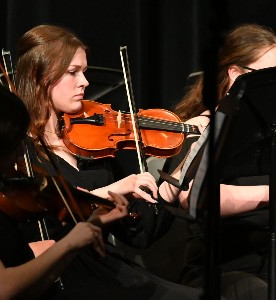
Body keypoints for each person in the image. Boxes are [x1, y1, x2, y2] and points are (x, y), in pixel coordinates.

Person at [13, 24, 205, 300]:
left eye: (84, 71)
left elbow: (141, 235)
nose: (85, 82)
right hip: (61, 278)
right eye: (72, 72)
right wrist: (112, 191)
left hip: (109, 269)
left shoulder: (94, 149)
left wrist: (179, 170)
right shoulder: (22, 151)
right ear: (39, 76)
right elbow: (42, 226)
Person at [158, 23, 276, 298]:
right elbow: (193, 198)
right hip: (226, 267)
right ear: (236, 75)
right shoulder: (201, 129)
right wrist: (269, 194)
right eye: (269, 77)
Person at [0, 82, 109, 299]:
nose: (21, 152)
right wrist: (69, 243)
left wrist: (86, 232)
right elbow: (2, 288)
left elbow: (35, 286)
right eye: (16, 142)